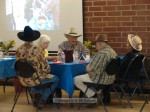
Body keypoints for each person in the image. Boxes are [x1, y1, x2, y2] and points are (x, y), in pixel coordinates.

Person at [15, 26, 59, 107]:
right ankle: (42, 98)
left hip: (22, 80)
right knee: (55, 79)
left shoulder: (18, 49)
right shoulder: (37, 49)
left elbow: (18, 64)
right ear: (33, 38)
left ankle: (37, 96)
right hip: (35, 79)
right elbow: (45, 67)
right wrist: (47, 70)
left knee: (41, 79)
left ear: (23, 38)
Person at [74, 34, 117, 108]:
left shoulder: (100, 53)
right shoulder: (113, 52)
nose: (95, 46)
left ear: (100, 43)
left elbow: (88, 69)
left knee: (76, 79)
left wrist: (89, 64)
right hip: (110, 79)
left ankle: (92, 95)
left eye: (96, 44)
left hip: (100, 79)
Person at [56, 27, 87, 97]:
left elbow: (86, 54)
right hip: (65, 67)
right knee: (57, 73)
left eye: (75, 38)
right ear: (68, 38)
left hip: (78, 68)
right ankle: (57, 92)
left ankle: (83, 93)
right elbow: (59, 56)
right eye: (72, 37)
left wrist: (83, 57)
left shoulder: (80, 45)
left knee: (85, 72)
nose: (74, 39)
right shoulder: (62, 45)